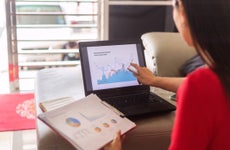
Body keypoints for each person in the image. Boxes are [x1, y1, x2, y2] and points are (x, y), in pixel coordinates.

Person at [106, 0, 230, 149]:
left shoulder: (200, 86)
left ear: (183, 13)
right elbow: (210, 87)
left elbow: (202, 88)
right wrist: (154, 80)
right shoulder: (216, 78)